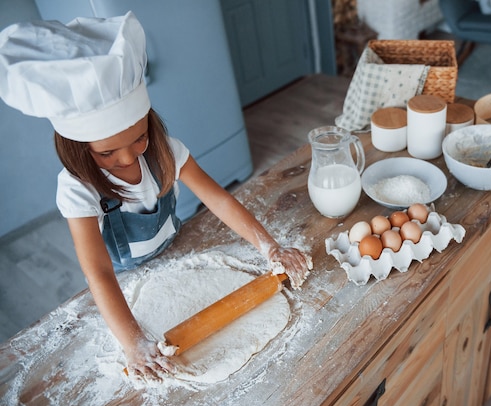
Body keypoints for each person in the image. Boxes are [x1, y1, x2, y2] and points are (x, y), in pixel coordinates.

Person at [0, 12, 311, 381]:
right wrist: (133, 342)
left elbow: (220, 200)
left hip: (176, 246)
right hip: (127, 276)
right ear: (77, 149)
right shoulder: (77, 189)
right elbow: (98, 271)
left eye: (139, 138)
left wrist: (270, 247)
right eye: (108, 153)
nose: (129, 157)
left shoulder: (166, 152)